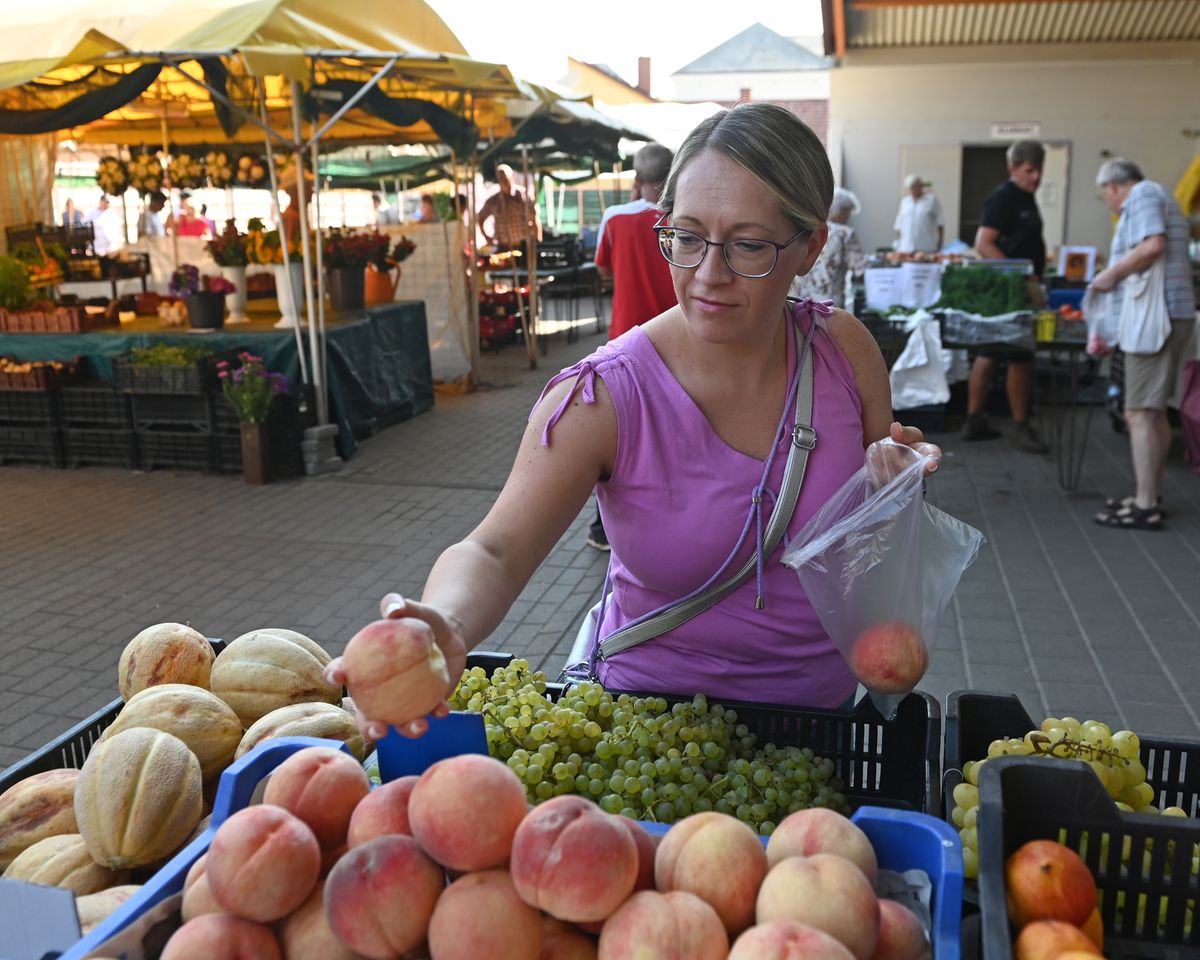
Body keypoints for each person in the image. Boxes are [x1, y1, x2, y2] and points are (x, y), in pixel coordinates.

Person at [325, 103, 942, 738]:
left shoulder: (844, 352)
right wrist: (447, 623)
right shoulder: (603, 395)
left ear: (811, 246)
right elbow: (496, 548)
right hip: (646, 730)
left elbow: (873, 531)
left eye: (749, 245)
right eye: (687, 235)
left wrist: (896, 485)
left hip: (827, 726)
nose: (708, 274)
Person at [1090, 158, 1196, 531]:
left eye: (1104, 195)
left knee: (1138, 413)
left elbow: (1152, 245)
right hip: (1169, 317)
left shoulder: (1144, 194)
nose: (1108, 202)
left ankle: (1145, 504)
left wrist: (1108, 275)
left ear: (1113, 187)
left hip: (1155, 321)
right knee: (1152, 411)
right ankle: (1147, 494)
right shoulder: (1160, 195)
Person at [587, 142, 679, 550]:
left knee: (622, 431)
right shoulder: (681, 217)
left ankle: (601, 528)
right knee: (675, 427)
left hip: (625, 338)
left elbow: (603, 269)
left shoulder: (614, 218)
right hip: (679, 338)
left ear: (636, 180)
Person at [964, 140, 1048, 454]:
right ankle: (1020, 425)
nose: (1036, 176)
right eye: (1029, 170)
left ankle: (974, 421)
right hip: (1010, 292)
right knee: (1018, 357)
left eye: (1039, 170)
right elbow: (984, 244)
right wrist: (1022, 276)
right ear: (1013, 169)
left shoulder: (1025, 197)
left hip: (1014, 289)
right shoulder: (1004, 198)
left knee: (991, 353)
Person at [792, 187, 866, 309]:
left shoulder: (810, 230)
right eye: (847, 212)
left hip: (801, 301)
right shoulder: (846, 234)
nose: (848, 217)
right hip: (830, 305)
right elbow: (859, 269)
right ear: (841, 211)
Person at [478, 163, 541, 253]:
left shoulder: (524, 195)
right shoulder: (494, 201)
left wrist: (537, 241)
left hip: (524, 246)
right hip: (503, 247)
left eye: (505, 178)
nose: (504, 181)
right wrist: (487, 238)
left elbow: (535, 218)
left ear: (511, 177)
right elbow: (480, 218)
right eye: (501, 179)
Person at [893, 174, 944, 255]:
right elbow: (898, 224)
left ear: (920, 186)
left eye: (914, 187)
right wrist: (898, 242)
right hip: (906, 248)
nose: (912, 190)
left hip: (926, 247)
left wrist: (940, 242)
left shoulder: (932, 200)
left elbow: (940, 222)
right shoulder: (905, 201)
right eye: (910, 188)